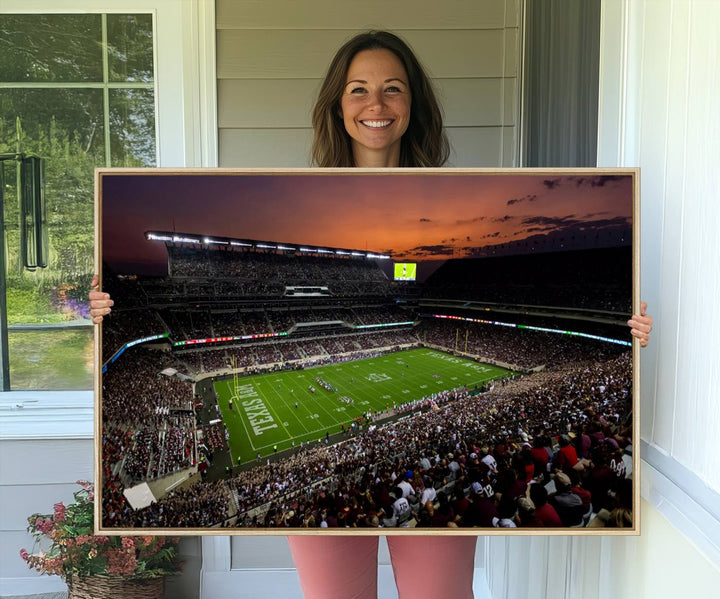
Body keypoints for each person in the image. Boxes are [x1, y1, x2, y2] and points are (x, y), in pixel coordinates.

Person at [89, 29, 653, 599]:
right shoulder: (300, 194)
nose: (375, 105)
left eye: (393, 89)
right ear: (337, 104)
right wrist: (101, 310)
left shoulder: (448, 194)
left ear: (414, 104)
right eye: (358, 89)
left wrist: (632, 330)